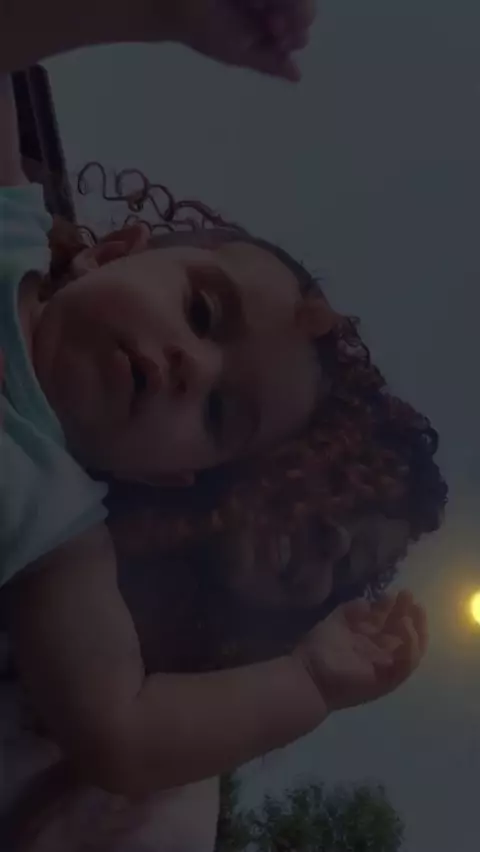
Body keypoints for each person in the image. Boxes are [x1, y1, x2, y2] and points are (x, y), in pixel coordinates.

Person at [0, 0, 447, 799]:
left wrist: (310, 681)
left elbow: (122, 734)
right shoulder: (10, 223)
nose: (191, 367)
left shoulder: (57, 528)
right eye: (202, 311)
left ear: (167, 474)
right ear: (114, 250)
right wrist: (163, 15)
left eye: (218, 415)